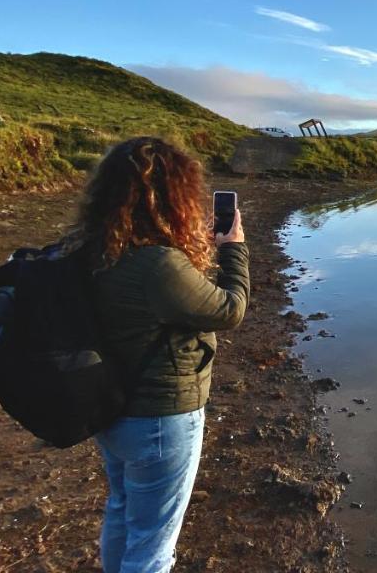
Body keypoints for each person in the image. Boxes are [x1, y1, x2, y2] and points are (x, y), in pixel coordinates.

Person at [73, 136, 249, 573]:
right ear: (174, 196)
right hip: (159, 419)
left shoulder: (93, 249)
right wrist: (234, 248)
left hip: (111, 407)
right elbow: (229, 309)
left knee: (123, 511)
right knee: (153, 546)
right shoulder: (156, 265)